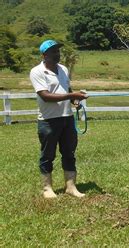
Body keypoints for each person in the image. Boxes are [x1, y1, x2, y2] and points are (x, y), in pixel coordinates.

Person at [30, 40, 88, 198]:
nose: (57, 53)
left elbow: (67, 89)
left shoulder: (63, 69)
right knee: (47, 155)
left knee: (69, 152)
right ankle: (47, 188)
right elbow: (45, 96)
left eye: (57, 50)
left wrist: (75, 101)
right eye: (53, 51)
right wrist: (72, 95)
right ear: (44, 55)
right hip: (48, 120)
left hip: (67, 118)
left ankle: (71, 186)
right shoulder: (37, 72)